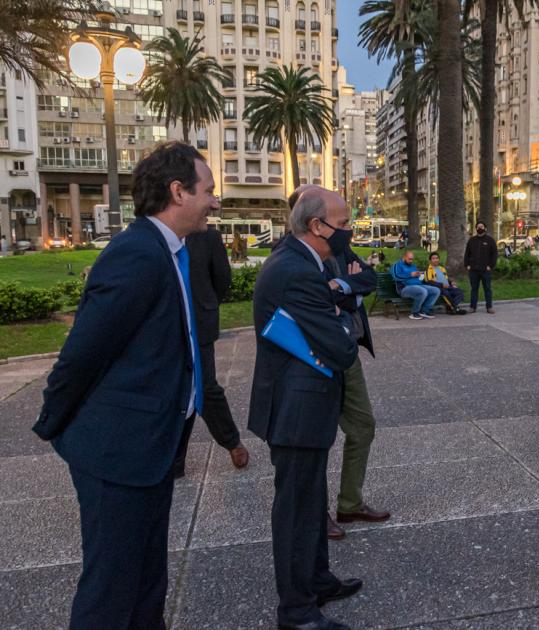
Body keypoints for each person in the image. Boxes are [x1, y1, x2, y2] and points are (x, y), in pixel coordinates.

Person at [32, 142, 219, 628]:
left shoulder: (168, 250)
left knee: (145, 580)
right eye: (208, 191)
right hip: (117, 455)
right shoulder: (136, 254)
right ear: (178, 192)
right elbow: (82, 354)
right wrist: (54, 423)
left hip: (151, 451)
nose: (214, 202)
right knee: (111, 591)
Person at [249, 189, 362, 630]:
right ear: (318, 226)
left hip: (305, 405)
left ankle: (316, 580)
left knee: (311, 500)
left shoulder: (300, 261)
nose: (350, 230)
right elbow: (340, 346)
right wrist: (342, 320)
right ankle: (296, 611)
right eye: (345, 222)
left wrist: (338, 316)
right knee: (296, 510)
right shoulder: (297, 271)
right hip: (296, 410)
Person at [286, 185, 391, 542]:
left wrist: (340, 286)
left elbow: (369, 279)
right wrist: (340, 289)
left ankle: (350, 503)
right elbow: (315, 299)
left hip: (347, 352)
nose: (346, 230)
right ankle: (318, 516)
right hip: (315, 359)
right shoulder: (291, 257)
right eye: (340, 221)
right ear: (312, 222)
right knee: (316, 440)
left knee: (363, 427)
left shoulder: (341, 248)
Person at [172, 226, 249, 476]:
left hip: (199, 323)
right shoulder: (151, 236)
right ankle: (175, 461)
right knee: (175, 390)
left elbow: (222, 278)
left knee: (205, 387)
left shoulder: (208, 236)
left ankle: (231, 441)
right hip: (166, 326)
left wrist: (206, 304)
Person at [391, 250, 440, 320]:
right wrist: (410, 274)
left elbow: (416, 277)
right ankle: (414, 312)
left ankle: (424, 311)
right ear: (404, 257)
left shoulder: (413, 266)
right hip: (404, 288)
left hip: (418, 285)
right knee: (422, 291)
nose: (411, 261)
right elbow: (396, 277)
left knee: (436, 290)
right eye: (409, 259)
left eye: (412, 259)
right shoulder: (396, 265)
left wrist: (419, 275)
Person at [464, 220, 498, 314]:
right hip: (473, 270)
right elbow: (467, 253)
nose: (480, 228)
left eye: (482, 227)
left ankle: (489, 307)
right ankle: (472, 307)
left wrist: (490, 266)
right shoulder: (472, 240)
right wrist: (467, 265)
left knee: (487, 289)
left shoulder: (490, 240)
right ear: (476, 228)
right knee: (474, 289)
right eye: (478, 227)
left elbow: (494, 254)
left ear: (485, 228)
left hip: (485, 270)